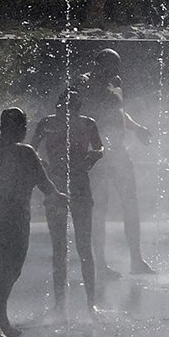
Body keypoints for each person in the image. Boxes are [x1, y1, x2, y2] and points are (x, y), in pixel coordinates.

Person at [0, 107, 65, 337]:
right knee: (12, 269)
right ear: (22, 129)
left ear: (1, 127)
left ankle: (2, 321)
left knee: (0, 268)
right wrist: (59, 196)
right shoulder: (25, 152)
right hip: (13, 217)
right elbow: (44, 185)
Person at [79, 48, 157, 275]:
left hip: (120, 153)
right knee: (99, 208)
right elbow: (73, 112)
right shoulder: (85, 84)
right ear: (98, 64)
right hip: (98, 154)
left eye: (116, 66)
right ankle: (100, 264)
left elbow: (119, 114)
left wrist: (137, 128)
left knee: (131, 205)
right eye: (109, 65)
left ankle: (136, 260)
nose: (114, 71)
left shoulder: (115, 86)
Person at [54, 109, 106, 308]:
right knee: (59, 248)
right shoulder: (48, 123)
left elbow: (100, 147)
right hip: (56, 185)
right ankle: (59, 303)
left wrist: (96, 155)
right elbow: (32, 146)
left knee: (84, 246)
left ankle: (90, 302)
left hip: (81, 186)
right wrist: (40, 162)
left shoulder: (87, 122)